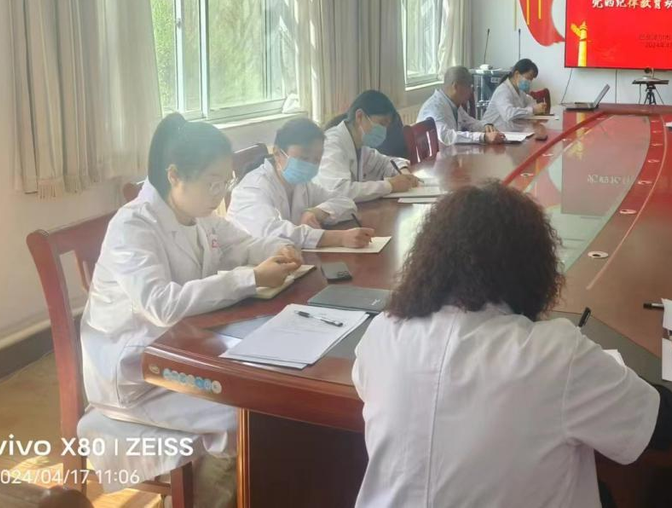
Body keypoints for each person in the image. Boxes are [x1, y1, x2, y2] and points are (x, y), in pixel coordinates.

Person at [353, 183, 672, 508]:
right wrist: (605, 372)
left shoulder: (384, 331)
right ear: (533, 268)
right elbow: (665, 426)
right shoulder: (555, 353)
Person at [79, 114, 303, 505]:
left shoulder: (199, 217)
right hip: (137, 375)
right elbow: (161, 305)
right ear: (175, 175)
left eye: (225, 181)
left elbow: (243, 245)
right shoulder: (133, 226)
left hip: (184, 352)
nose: (220, 192)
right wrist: (249, 278)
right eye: (212, 182)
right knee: (242, 419)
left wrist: (277, 250)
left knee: (264, 396)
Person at [228, 117, 374, 250]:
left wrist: (317, 212)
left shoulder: (302, 184)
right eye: (304, 158)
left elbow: (346, 203)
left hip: (288, 260)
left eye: (316, 159)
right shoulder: (252, 188)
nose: (310, 165)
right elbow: (271, 233)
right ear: (277, 153)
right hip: (249, 266)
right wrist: (339, 238)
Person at [317, 90, 420, 202]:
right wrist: (389, 185)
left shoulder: (361, 146)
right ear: (359, 116)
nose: (384, 131)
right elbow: (339, 191)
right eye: (382, 123)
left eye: (386, 126)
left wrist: (403, 172)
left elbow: (385, 163)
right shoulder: (331, 144)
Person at [418, 66, 505, 146]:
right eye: (469, 87)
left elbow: (468, 121)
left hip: (450, 152)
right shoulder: (435, 107)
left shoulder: (453, 103)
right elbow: (446, 136)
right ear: (456, 86)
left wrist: (485, 126)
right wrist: (482, 137)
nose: (471, 91)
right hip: (436, 156)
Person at [483, 58, 548, 130]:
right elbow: (509, 114)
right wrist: (532, 110)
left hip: (511, 131)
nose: (529, 82)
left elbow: (530, 102)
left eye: (531, 80)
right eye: (528, 78)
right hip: (492, 131)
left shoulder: (520, 91)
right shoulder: (502, 91)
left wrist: (535, 108)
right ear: (517, 74)